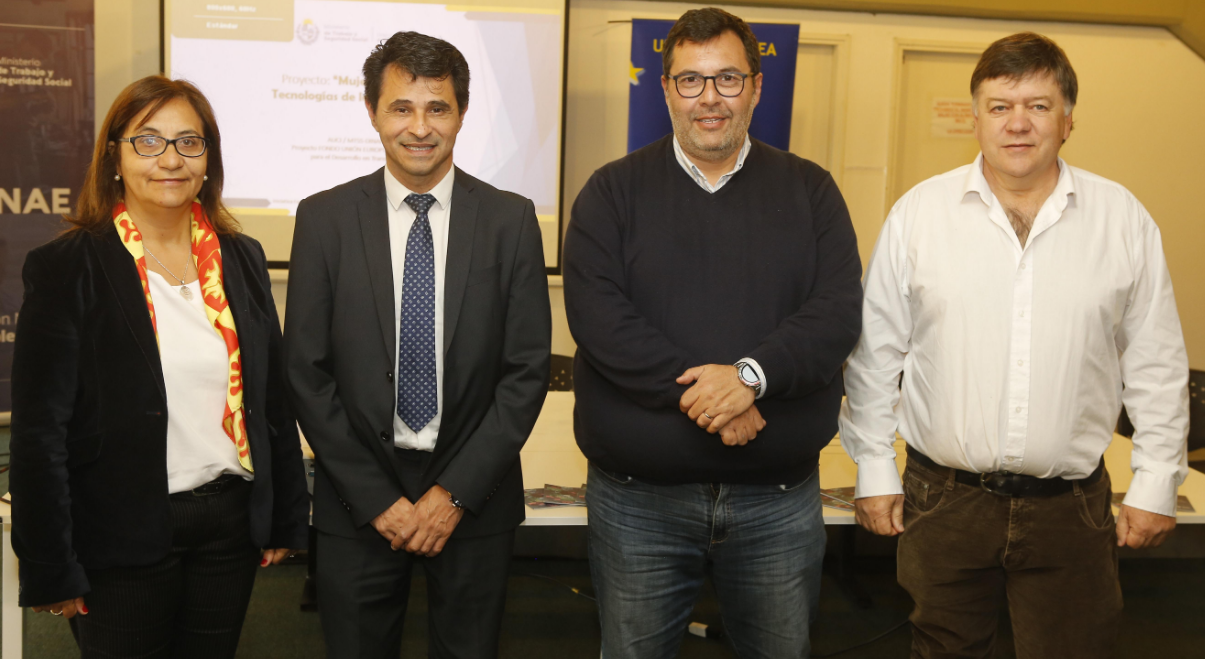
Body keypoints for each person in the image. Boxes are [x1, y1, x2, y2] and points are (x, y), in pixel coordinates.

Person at [840, 32, 1190, 658]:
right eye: (1000, 106)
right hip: (943, 500)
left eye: (1038, 104)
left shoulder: (1122, 220)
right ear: (975, 119)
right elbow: (874, 358)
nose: (1018, 123)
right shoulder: (919, 215)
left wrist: (1157, 479)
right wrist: (872, 467)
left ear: (1069, 119)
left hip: (1071, 507)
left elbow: (1156, 362)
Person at [563, 7, 862, 658]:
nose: (709, 99)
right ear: (665, 88)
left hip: (776, 504)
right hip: (637, 505)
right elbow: (599, 317)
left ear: (757, 86)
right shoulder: (610, 192)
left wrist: (749, 377)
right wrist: (714, 400)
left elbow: (835, 312)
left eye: (727, 79)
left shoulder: (811, 191)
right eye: (691, 81)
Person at [10, 75, 309, 658]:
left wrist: (283, 518)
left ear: (207, 160)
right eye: (148, 142)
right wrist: (50, 564)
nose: (170, 159)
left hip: (228, 524)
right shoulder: (67, 266)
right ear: (115, 159)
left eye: (188, 143)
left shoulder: (239, 257)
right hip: (118, 531)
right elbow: (40, 433)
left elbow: (271, 399)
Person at [284, 31, 551, 658]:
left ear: (461, 113)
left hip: (474, 495)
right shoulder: (324, 219)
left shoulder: (511, 221)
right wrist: (378, 501)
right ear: (373, 111)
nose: (419, 127)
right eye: (402, 107)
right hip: (358, 497)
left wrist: (452, 494)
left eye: (438, 107)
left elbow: (526, 371)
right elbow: (306, 371)